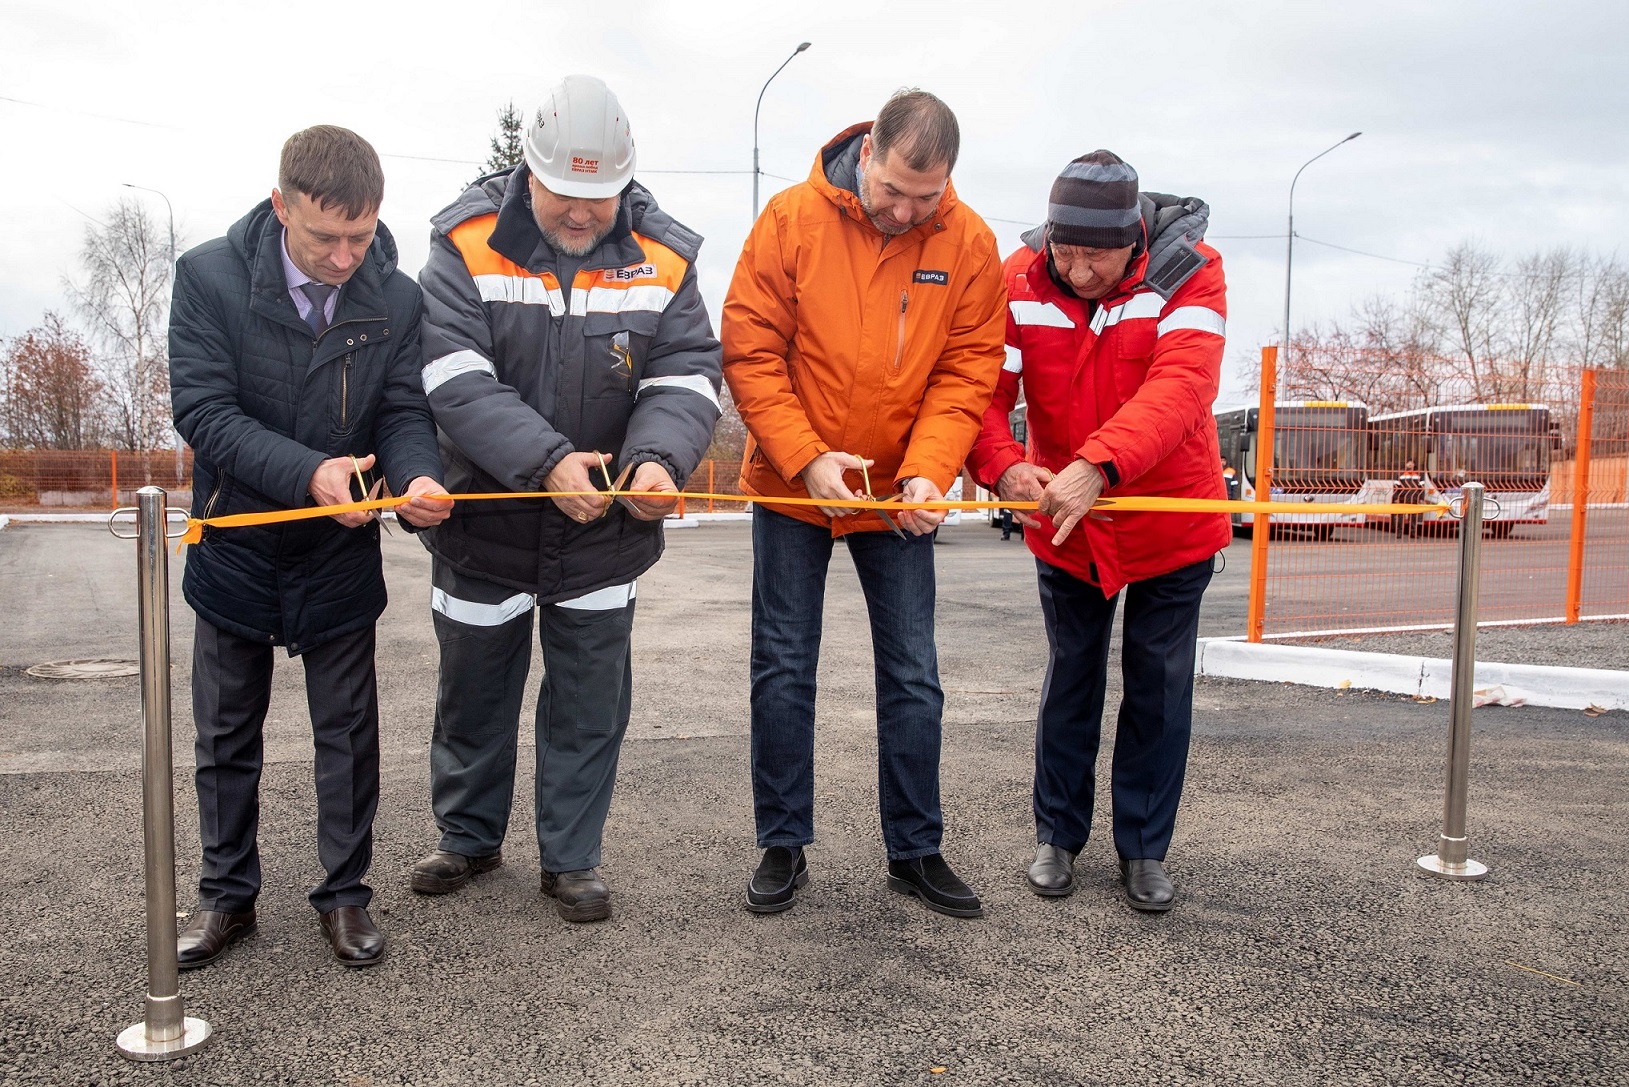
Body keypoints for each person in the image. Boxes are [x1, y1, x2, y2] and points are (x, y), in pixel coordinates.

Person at [409, 76, 721, 923]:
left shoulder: (663, 254)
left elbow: (688, 373)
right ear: (528, 172)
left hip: (604, 535)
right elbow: (454, 379)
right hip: (484, 521)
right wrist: (546, 462)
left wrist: (659, 460)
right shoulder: (464, 243)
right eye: (564, 195)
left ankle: (571, 859)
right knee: (473, 693)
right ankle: (468, 838)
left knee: (588, 703)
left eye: (599, 195)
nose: (582, 214)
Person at [168, 126, 453, 968]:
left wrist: (417, 478)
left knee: (349, 734)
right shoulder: (207, 278)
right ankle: (227, 898)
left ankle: (345, 895)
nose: (342, 257)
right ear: (279, 205)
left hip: (338, 554)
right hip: (236, 544)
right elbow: (204, 412)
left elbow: (403, 411)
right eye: (324, 237)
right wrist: (309, 475)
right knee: (224, 737)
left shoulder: (396, 298)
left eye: (360, 237)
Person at [723, 89, 1006, 918]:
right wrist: (806, 459)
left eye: (927, 197)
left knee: (914, 673)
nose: (906, 209)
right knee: (782, 666)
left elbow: (966, 370)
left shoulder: (969, 242)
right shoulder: (789, 221)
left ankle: (915, 849)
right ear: (868, 152)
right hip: (792, 485)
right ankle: (782, 843)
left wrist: (928, 471)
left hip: (897, 493)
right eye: (893, 190)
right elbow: (749, 350)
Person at [967, 150, 1230, 913]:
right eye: (1065, 252)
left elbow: (1181, 385)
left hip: (1167, 520)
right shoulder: (1020, 275)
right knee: (1070, 679)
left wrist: (1096, 464)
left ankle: (1143, 849)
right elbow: (984, 391)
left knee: (1157, 685)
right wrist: (1006, 468)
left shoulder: (1191, 271)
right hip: (1065, 524)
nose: (1077, 272)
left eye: (1097, 257)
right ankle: (1056, 835)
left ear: (1134, 241)